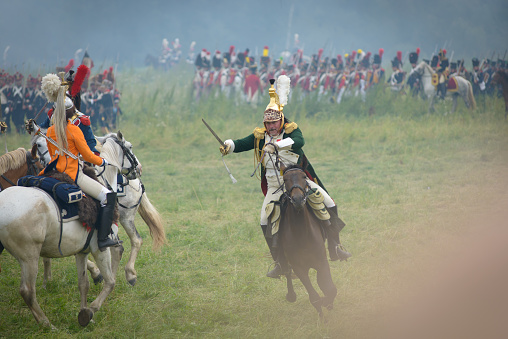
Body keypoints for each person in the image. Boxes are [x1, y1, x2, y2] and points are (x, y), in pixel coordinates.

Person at [219, 76, 351, 278]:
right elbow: (242, 143)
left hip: (299, 183)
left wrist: (276, 145)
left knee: (329, 203)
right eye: (268, 123)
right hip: (275, 186)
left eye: (274, 122)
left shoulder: (292, 131)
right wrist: (229, 146)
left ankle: (334, 247)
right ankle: (280, 262)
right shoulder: (260, 136)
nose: (271, 127)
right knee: (264, 220)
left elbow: (299, 142)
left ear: (281, 120)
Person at [33, 73, 120, 251]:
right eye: (73, 110)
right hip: (73, 173)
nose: (75, 111)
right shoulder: (74, 130)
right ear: (70, 113)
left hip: (54, 171)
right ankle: (103, 238)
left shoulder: (49, 131)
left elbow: (52, 154)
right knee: (108, 196)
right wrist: (102, 162)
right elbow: (88, 156)